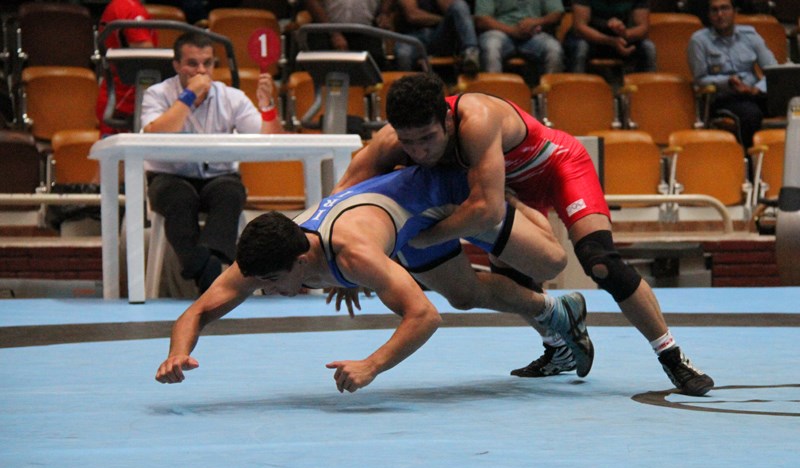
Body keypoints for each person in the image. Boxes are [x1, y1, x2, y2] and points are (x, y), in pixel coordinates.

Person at [333, 72, 715, 396]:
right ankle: (558, 348)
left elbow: (487, 211)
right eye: (409, 142)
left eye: (427, 139)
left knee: (600, 262)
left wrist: (424, 239)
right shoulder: (390, 141)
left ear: (447, 120)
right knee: (515, 281)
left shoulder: (477, 119)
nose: (418, 152)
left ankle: (672, 356)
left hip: (556, 168)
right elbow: (341, 198)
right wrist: (344, 267)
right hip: (506, 188)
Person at [155, 165, 594, 391]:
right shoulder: (268, 253)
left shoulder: (353, 254)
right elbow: (197, 313)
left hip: (447, 197)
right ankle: (558, 311)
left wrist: (372, 365)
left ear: (302, 261)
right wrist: (177, 354)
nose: (265, 290)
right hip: (401, 222)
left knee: (548, 260)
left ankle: (526, 204)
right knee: (464, 294)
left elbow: (424, 316)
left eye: (271, 282)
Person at [140, 32, 284, 295]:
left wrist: (268, 106)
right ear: (176, 65)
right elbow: (157, 134)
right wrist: (188, 95)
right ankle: (210, 270)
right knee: (180, 199)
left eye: (207, 63)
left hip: (219, 177)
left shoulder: (232, 97)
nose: (201, 71)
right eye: (192, 64)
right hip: (169, 177)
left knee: (230, 193)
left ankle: (205, 263)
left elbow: (269, 140)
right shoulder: (157, 94)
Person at [687, 0, 777, 150]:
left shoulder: (750, 35)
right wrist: (727, 82)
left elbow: (773, 71)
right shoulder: (699, 41)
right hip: (724, 98)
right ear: (709, 15)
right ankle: (749, 159)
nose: (720, 15)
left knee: (792, 107)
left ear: (735, 12)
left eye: (725, 8)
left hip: (754, 94)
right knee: (751, 114)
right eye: (714, 10)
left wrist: (757, 89)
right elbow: (700, 80)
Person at [96, 0, 157, 136]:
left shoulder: (120, 5)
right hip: (124, 103)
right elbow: (146, 56)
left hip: (120, 97)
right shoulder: (130, 8)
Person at [474, 0, 564, 78]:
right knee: (491, 46)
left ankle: (549, 90)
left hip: (533, 33)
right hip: (500, 30)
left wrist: (536, 22)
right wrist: (512, 31)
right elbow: (482, 19)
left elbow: (556, 13)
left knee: (554, 48)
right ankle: (492, 91)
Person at [564, 0, 657, 74]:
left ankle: (648, 90)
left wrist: (624, 33)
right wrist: (611, 41)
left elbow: (643, 28)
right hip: (589, 39)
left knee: (648, 47)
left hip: (622, 39)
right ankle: (575, 89)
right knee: (580, 47)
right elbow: (580, 27)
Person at [394, 0, 481, 75]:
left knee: (460, 4)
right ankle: (406, 86)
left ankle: (471, 52)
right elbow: (413, 15)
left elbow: (455, 12)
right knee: (403, 53)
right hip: (412, 36)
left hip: (438, 35)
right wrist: (440, 19)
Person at [303, 0, 396, 69]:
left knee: (374, 67)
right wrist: (334, 33)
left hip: (366, 30)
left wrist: (384, 12)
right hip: (325, 30)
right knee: (323, 68)